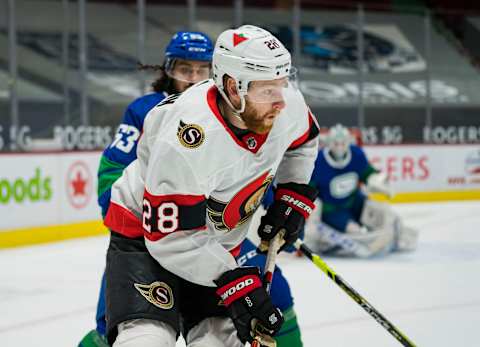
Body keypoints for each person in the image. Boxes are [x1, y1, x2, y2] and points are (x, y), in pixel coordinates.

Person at [80, 26, 318, 347]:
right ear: (233, 88)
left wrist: (292, 193)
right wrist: (234, 281)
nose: (280, 101)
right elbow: (170, 238)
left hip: (216, 243)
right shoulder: (187, 136)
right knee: (146, 338)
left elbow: (304, 142)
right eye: (267, 90)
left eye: (282, 84)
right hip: (146, 237)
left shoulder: (285, 104)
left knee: (219, 341)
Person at [305, 124, 418, 258]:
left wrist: (376, 180)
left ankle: (396, 236)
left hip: (355, 201)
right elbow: (309, 188)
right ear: (329, 143)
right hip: (332, 210)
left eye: (343, 143)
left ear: (349, 142)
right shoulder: (319, 161)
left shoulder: (356, 155)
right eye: (336, 143)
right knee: (355, 231)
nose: (340, 147)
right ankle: (330, 240)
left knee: (382, 213)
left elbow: (367, 173)